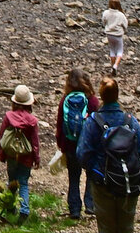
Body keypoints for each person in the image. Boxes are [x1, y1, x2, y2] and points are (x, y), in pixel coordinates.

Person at [77, 75, 140, 233]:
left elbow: (82, 154)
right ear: (118, 94)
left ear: (101, 96)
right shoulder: (131, 121)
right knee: (126, 227)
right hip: (128, 181)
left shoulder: (92, 122)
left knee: (106, 227)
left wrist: (95, 171)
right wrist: (132, 168)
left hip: (103, 182)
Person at [58, 67, 101, 220]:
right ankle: (90, 205)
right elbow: (97, 124)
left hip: (70, 145)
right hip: (89, 146)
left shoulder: (65, 99)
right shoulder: (92, 101)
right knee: (90, 175)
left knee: (73, 177)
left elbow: (59, 125)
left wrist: (62, 145)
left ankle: (75, 209)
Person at [0, 83, 41, 224]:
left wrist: (1, 150)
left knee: (12, 181)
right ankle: (24, 210)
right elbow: (35, 142)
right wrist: (36, 158)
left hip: (11, 156)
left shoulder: (8, 116)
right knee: (23, 183)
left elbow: (2, 135)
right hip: (26, 157)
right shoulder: (32, 121)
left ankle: (10, 207)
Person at [104, 0, 129, 74]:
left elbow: (103, 21)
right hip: (118, 35)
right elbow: (125, 24)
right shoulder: (121, 15)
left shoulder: (106, 13)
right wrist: (124, 30)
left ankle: (112, 66)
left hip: (109, 34)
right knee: (119, 51)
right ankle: (115, 66)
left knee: (112, 49)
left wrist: (107, 26)